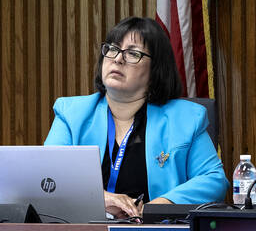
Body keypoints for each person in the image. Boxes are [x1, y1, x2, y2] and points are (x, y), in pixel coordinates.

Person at [44, 16, 228, 217]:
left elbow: (214, 179)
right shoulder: (72, 114)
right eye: (113, 49)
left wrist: (160, 206)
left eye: (132, 53)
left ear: (156, 69)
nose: (117, 58)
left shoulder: (185, 118)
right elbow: (48, 178)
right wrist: (103, 198)